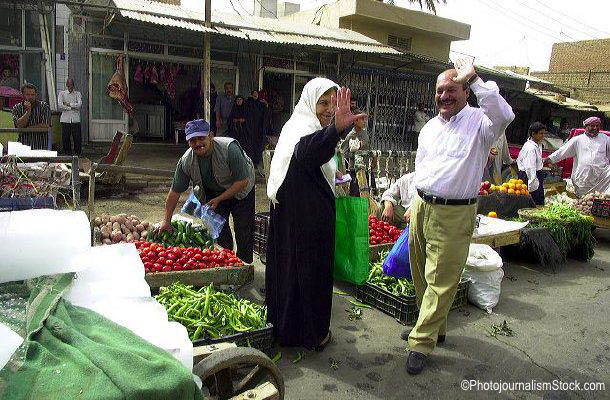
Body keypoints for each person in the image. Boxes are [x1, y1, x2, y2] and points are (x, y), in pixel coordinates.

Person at [404, 59, 514, 375]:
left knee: (441, 279)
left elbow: (504, 113)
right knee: (421, 272)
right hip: (422, 207)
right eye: (440, 90)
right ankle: (434, 328)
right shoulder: (429, 127)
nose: (445, 95)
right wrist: (413, 200)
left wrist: (474, 78)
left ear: (465, 91)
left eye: (452, 89)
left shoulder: (481, 123)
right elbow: (421, 168)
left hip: (454, 213)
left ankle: (421, 342)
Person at [265, 79, 365, 350]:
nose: (329, 109)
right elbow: (307, 151)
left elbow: (317, 156)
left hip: (297, 220)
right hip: (305, 224)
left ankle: (286, 331)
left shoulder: (306, 127)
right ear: (309, 102)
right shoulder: (302, 128)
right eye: (323, 103)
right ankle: (312, 335)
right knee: (309, 277)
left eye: (333, 104)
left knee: (293, 276)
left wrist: (335, 132)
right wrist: (335, 129)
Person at [160, 119, 256, 263]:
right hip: (213, 192)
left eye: (201, 138)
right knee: (220, 232)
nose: (197, 143)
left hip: (241, 189)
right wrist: (166, 221)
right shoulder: (186, 160)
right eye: (192, 140)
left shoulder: (229, 148)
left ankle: (245, 266)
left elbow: (242, 181)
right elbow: (174, 192)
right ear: (188, 142)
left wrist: (220, 199)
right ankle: (227, 264)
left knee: (243, 231)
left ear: (210, 136)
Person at [546, 116, 610, 197]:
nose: (595, 128)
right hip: (584, 178)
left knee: (601, 197)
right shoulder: (578, 140)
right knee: (583, 200)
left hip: (601, 177)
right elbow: (562, 151)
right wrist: (550, 159)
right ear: (585, 127)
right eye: (592, 126)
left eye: (597, 126)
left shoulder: (605, 139)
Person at [340, 109, 368, 195]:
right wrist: (357, 148)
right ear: (355, 121)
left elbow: (368, 148)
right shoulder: (351, 136)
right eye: (362, 119)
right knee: (356, 193)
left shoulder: (364, 134)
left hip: (365, 168)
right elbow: (343, 153)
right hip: (354, 170)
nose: (364, 122)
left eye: (365, 119)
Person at [517, 122, 546, 205]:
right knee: (533, 202)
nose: (543, 136)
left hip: (533, 175)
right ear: (533, 134)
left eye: (543, 133)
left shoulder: (536, 145)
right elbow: (530, 168)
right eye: (541, 133)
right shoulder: (530, 148)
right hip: (530, 177)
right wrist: (533, 185)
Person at [57, 78, 83, 156]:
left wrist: (69, 104)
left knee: (77, 137)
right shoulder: (62, 93)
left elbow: (79, 105)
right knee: (65, 137)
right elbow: (60, 105)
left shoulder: (78, 94)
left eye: (71, 85)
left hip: (75, 119)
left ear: (73, 85)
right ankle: (67, 153)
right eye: (68, 85)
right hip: (65, 119)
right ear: (66, 85)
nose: (70, 87)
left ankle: (78, 153)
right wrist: (71, 107)